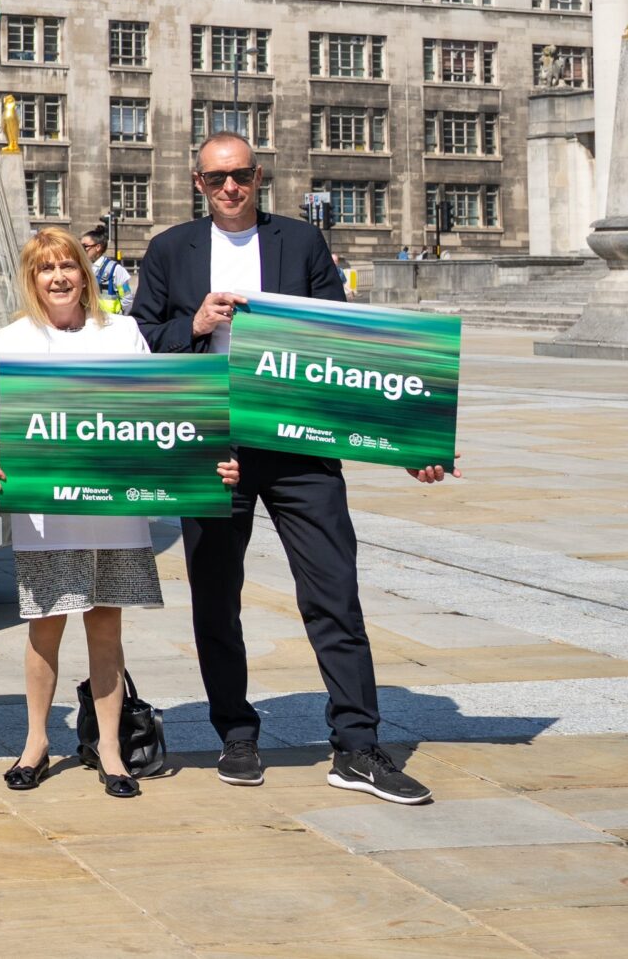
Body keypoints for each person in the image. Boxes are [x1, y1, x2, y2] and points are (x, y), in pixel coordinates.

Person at [130, 133, 446, 806]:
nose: (229, 187)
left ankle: (356, 744)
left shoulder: (299, 243)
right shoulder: (168, 250)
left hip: (299, 445)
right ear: (197, 182)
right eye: (216, 178)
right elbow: (141, 338)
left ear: (259, 174)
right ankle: (236, 730)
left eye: (240, 174)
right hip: (213, 442)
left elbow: (341, 343)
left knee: (333, 591)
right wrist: (195, 321)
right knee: (216, 596)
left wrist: (407, 439)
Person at [0, 227, 219, 799]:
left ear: (86, 272)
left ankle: (111, 748)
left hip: (114, 509)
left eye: (68, 265)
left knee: (106, 626)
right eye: (45, 268)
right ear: (31, 279)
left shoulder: (125, 333)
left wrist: (204, 459)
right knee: (45, 627)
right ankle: (36, 742)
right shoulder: (8, 341)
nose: (59, 277)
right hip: (46, 513)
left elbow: (156, 413)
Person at [80, 228, 132, 311]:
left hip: (110, 320)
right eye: (80, 246)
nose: (81, 250)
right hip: (87, 320)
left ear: (98, 247)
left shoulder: (116, 269)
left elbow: (127, 298)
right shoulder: (80, 267)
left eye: (85, 246)